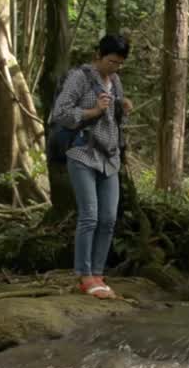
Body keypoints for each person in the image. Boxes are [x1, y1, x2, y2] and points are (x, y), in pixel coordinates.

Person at [49, 34, 134, 299]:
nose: (115, 68)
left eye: (120, 64)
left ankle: (98, 273)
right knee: (90, 216)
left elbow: (114, 120)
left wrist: (122, 107)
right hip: (82, 153)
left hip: (109, 157)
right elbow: (60, 113)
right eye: (111, 62)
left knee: (108, 219)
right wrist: (92, 112)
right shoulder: (80, 78)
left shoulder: (116, 81)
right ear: (98, 55)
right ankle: (84, 275)